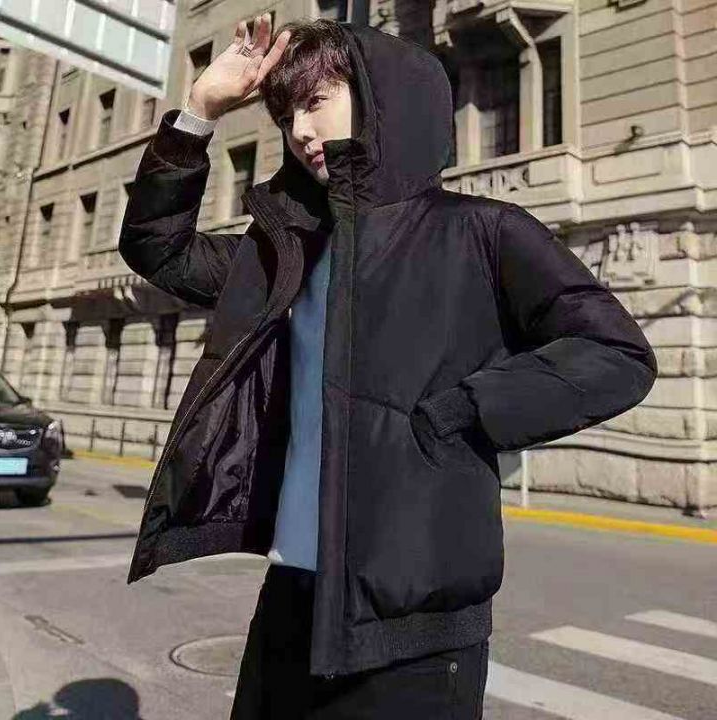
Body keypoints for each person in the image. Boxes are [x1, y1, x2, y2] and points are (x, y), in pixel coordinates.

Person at [118, 14, 658, 720]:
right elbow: (158, 249)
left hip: (416, 626)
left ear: (379, 96)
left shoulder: (481, 232)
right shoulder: (289, 251)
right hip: (292, 598)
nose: (300, 131)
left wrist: (460, 412)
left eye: (316, 102)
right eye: (286, 116)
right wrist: (200, 110)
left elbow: (617, 352)